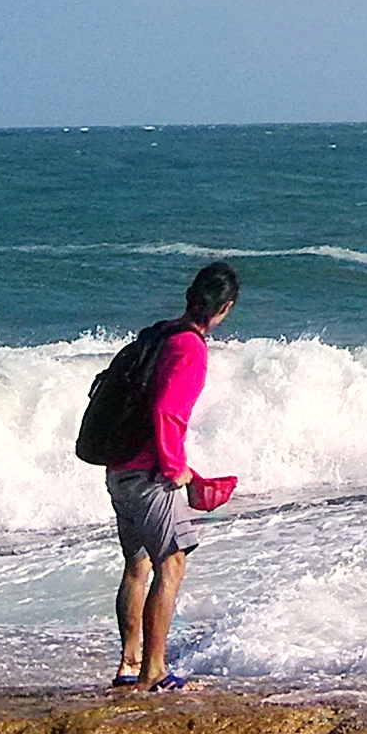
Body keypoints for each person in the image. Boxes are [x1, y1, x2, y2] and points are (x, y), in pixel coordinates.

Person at [107, 260, 239, 692]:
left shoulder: (159, 332)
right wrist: (173, 467)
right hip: (150, 474)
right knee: (172, 562)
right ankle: (155, 671)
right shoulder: (190, 348)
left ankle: (130, 665)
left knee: (136, 564)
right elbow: (167, 410)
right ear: (226, 308)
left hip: (120, 467)